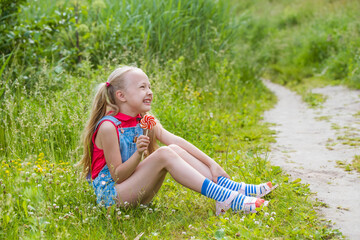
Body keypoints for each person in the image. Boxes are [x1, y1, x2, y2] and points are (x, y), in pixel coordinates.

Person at [78, 66, 277, 215]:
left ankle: (231, 187)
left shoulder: (143, 119)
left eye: (149, 86)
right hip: (113, 199)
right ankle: (225, 198)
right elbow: (118, 176)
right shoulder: (108, 127)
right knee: (164, 153)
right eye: (142, 87)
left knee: (172, 148)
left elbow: (176, 141)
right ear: (121, 95)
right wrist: (139, 154)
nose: (149, 91)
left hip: (137, 191)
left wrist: (212, 164)